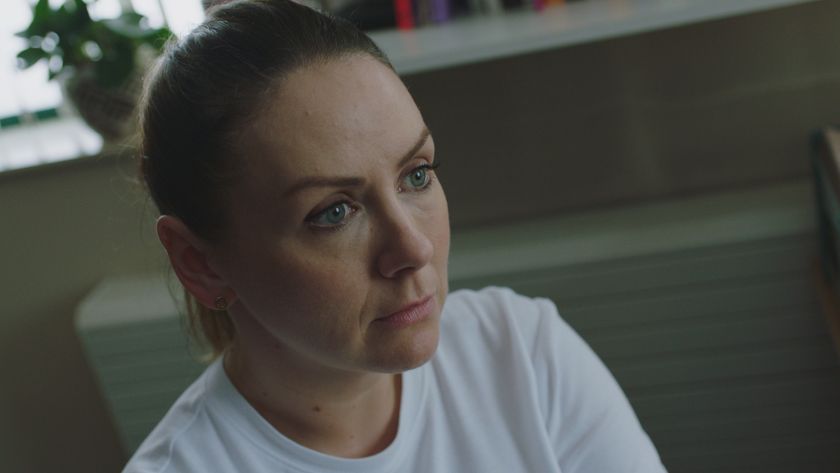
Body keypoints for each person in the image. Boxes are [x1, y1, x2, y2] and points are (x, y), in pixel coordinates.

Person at [124, 1, 667, 471]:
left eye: (416, 175)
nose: (414, 249)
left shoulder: (522, 354)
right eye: (334, 212)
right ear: (200, 262)